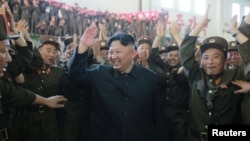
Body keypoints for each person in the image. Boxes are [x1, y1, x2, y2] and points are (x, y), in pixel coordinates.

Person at [69, 25, 171, 141]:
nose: (113, 56)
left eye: (118, 52)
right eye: (111, 52)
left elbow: (158, 117)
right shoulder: (100, 73)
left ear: (132, 54)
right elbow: (75, 75)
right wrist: (83, 46)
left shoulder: (149, 78)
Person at [179, 5, 245, 141]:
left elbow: (248, 57)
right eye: (206, 57)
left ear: (225, 60)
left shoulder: (235, 76)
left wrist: (235, 32)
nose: (210, 62)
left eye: (216, 56)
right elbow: (185, 52)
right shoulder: (195, 76)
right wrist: (200, 25)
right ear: (201, 61)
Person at [0, 32, 66, 141]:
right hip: (28, 121)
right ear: (38, 51)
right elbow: (20, 93)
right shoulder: (26, 71)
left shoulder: (59, 72)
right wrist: (26, 39)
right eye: (48, 50)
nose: (51, 54)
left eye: (55, 51)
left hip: (50, 122)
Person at [150, 21, 189, 141]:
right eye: (170, 55)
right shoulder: (164, 67)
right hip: (163, 113)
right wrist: (159, 37)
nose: (172, 58)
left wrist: (176, 35)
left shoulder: (186, 68)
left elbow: (188, 54)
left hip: (180, 116)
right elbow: (153, 55)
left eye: (176, 55)